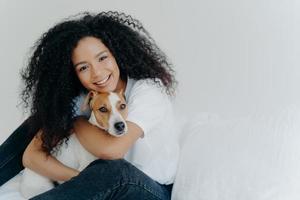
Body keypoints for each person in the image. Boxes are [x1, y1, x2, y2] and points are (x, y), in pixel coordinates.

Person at [0, 11, 179, 199]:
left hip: (151, 189)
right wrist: (80, 180)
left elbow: (111, 151)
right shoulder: (83, 98)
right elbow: (31, 157)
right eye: (83, 67)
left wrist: (76, 122)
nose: (97, 73)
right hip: (104, 180)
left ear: (116, 54)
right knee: (43, 119)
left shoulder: (148, 90)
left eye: (102, 58)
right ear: (73, 73)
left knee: (112, 169)